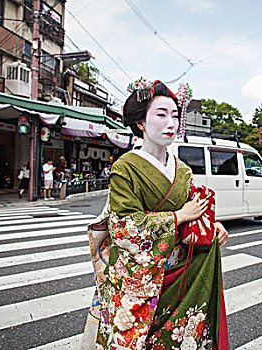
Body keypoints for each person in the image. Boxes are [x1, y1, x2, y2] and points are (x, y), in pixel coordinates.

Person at [81, 80, 229, 350]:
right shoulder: (125, 167)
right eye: (161, 114)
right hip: (139, 276)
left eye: (174, 115)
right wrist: (179, 217)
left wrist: (213, 225)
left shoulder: (182, 170)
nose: (170, 123)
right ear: (140, 123)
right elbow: (124, 226)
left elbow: (194, 208)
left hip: (177, 273)